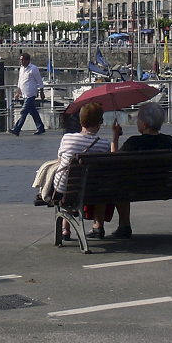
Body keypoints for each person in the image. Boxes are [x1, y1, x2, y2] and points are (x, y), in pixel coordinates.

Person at [109, 101, 172, 238]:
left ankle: (124, 225)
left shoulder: (133, 142)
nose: (136, 121)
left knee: (117, 182)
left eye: (138, 118)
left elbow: (114, 161)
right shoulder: (169, 141)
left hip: (136, 188)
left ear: (144, 124)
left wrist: (115, 138)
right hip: (163, 185)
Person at [54, 102, 113, 241]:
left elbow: (59, 159)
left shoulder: (67, 138)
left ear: (81, 121)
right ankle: (98, 226)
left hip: (65, 188)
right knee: (97, 183)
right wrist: (115, 136)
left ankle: (65, 229)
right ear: (99, 123)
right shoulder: (104, 144)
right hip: (93, 190)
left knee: (70, 180)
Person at [10, 52, 45, 135]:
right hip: (24, 94)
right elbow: (20, 81)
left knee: (24, 112)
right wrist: (17, 93)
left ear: (28, 60)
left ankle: (16, 129)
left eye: (23, 60)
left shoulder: (33, 68)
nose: (21, 61)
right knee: (33, 112)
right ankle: (41, 127)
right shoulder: (21, 68)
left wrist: (42, 92)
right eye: (20, 60)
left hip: (31, 94)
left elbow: (39, 81)